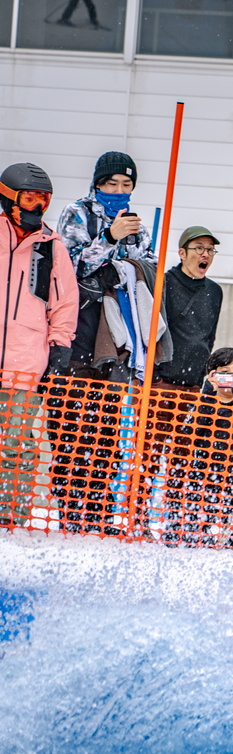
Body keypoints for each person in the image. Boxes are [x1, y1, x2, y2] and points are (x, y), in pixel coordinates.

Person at [0, 163, 78, 528]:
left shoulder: (51, 248)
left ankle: (9, 514)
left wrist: (60, 345)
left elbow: (65, 303)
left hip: (24, 366)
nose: (36, 207)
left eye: (43, 200)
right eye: (29, 197)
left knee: (14, 444)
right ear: (9, 196)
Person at [56, 151, 157, 376]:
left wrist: (130, 270)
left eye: (126, 184)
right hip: (81, 323)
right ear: (98, 184)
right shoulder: (78, 213)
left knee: (110, 402)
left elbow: (150, 272)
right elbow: (68, 267)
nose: (119, 191)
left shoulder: (137, 227)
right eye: (112, 184)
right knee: (72, 399)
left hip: (121, 326)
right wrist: (109, 238)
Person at [165, 347, 233, 546]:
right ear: (213, 375)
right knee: (195, 526)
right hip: (206, 473)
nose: (231, 376)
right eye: (225, 371)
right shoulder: (204, 400)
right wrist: (208, 397)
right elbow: (191, 432)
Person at [153, 226, 223, 393]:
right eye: (199, 248)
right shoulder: (163, 283)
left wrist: (199, 378)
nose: (205, 254)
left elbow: (209, 337)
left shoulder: (214, 291)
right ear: (182, 253)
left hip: (192, 385)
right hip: (159, 383)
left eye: (210, 250)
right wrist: (156, 377)